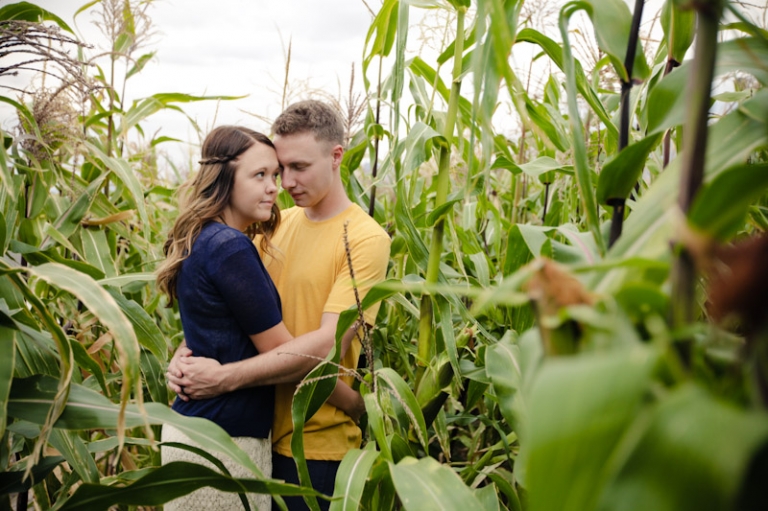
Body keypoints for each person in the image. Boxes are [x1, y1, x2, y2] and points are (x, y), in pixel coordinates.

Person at [167, 100, 391, 510]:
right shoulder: (273, 225)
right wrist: (187, 357)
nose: (286, 182)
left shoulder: (365, 238)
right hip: (250, 436)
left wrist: (223, 377)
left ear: (336, 155)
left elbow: (327, 346)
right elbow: (229, 309)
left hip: (315, 446)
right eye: (278, 168)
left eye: (298, 167)